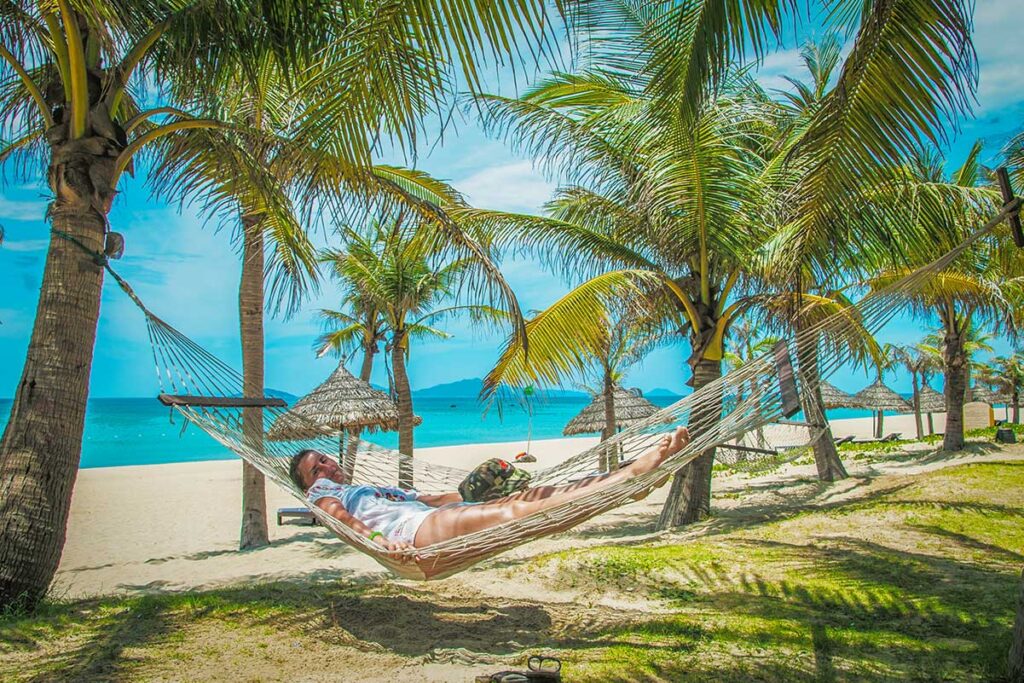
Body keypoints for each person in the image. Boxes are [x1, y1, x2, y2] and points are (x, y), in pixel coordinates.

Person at [288, 427, 689, 558]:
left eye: (325, 458)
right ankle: (631, 477)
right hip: (413, 535)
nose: (326, 466)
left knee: (530, 498)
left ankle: (621, 485)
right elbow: (337, 515)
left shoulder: (364, 487)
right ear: (309, 481)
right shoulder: (322, 493)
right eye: (315, 468)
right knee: (516, 514)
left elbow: (426, 498)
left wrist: (467, 495)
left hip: (429, 516)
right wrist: (378, 541)